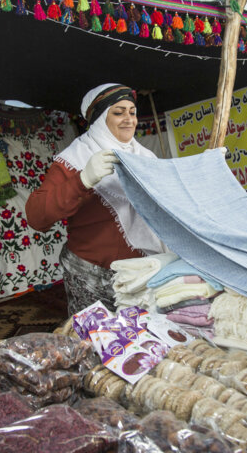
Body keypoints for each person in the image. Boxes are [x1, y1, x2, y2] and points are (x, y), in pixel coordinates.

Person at [25, 83, 166, 315]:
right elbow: (37, 217)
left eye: (132, 112)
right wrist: (83, 179)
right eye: (118, 112)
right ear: (99, 119)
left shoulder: (145, 157)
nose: (129, 119)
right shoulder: (75, 159)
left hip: (140, 272)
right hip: (91, 275)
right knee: (96, 343)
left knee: (142, 342)